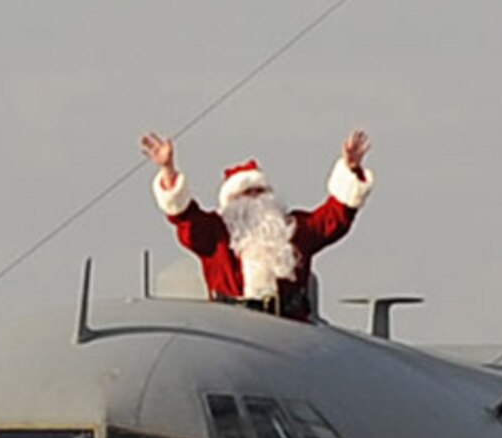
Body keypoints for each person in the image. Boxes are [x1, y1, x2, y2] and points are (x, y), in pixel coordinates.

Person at [139, 129, 373, 322]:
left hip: (292, 330)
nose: (254, 199)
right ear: (230, 202)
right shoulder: (216, 234)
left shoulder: (293, 230)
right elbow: (185, 217)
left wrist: (350, 170)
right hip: (229, 330)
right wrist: (168, 171)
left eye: (259, 191)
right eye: (245, 193)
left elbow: (333, 219)